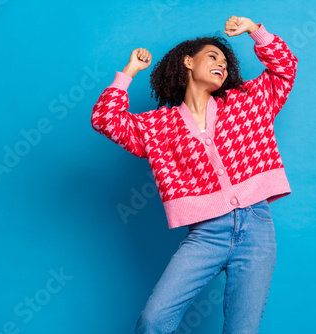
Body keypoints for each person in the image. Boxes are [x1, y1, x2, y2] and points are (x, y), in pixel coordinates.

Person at [91, 15, 298, 334]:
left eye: (226, 63)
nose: (222, 65)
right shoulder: (157, 126)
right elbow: (105, 119)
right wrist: (129, 72)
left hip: (257, 228)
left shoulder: (247, 101)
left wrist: (256, 31)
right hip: (207, 233)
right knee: (153, 321)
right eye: (212, 56)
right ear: (188, 61)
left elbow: (285, 68)